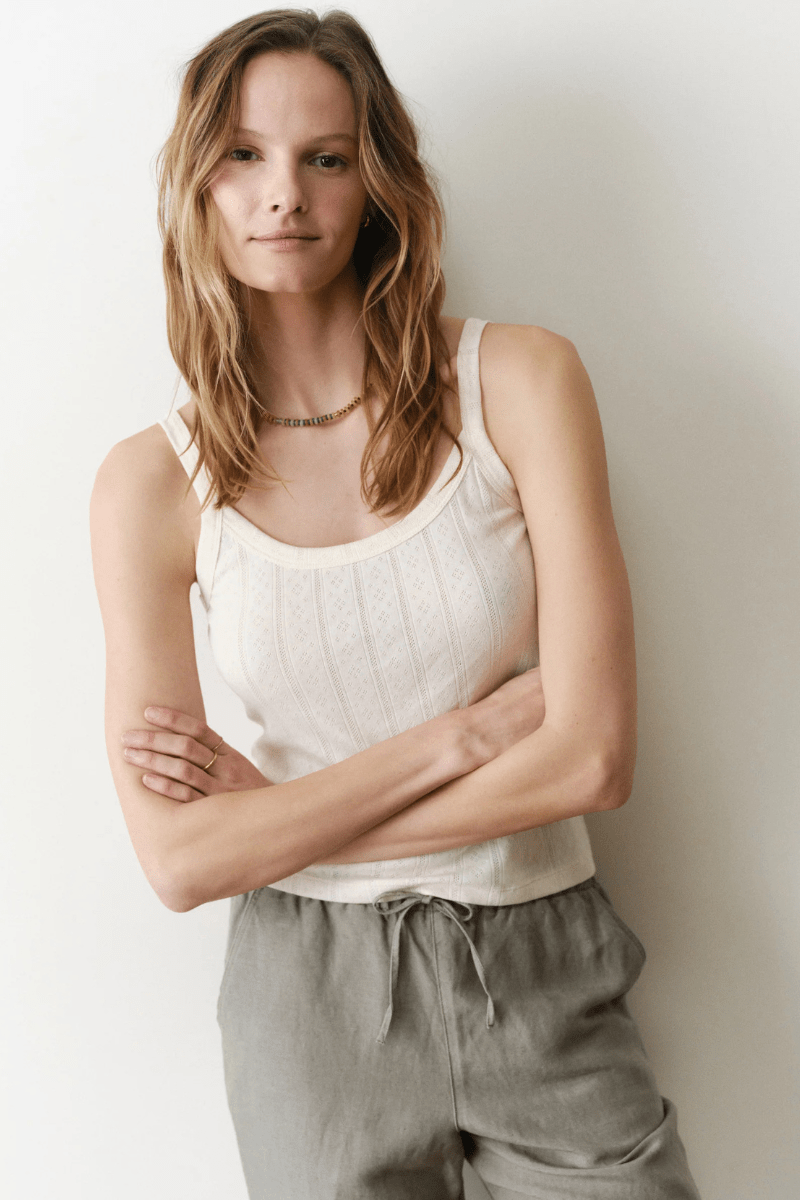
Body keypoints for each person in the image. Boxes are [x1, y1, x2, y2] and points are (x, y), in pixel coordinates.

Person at [90, 8, 701, 1198]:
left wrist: (276, 825)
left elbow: (590, 759)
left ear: (375, 183)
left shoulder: (519, 383)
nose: (284, 194)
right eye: (243, 155)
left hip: (537, 956)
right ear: (196, 184)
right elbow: (178, 859)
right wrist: (460, 738)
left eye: (324, 157)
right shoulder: (150, 484)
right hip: (307, 1001)